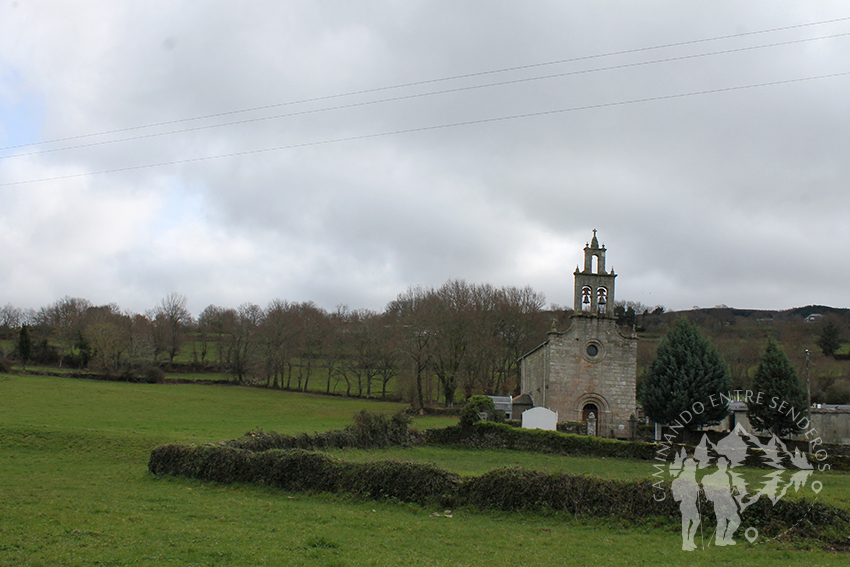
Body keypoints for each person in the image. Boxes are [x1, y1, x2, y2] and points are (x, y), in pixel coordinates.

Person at [702, 457, 741, 545]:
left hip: (724, 501)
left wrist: (731, 490)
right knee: (726, 521)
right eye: (722, 464)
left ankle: (724, 539)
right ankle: (722, 539)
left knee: (728, 520)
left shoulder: (725, 476)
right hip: (721, 502)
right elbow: (719, 490)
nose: (724, 466)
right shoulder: (718, 476)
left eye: (725, 464)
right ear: (718, 465)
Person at [671, 457, 700, 551]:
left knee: (696, 521)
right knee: (687, 523)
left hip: (692, 502)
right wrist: (682, 495)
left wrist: (697, 488)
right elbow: (677, 483)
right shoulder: (684, 475)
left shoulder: (691, 475)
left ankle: (690, 541)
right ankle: (685, 543)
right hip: (687, 502)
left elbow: (693, 487)